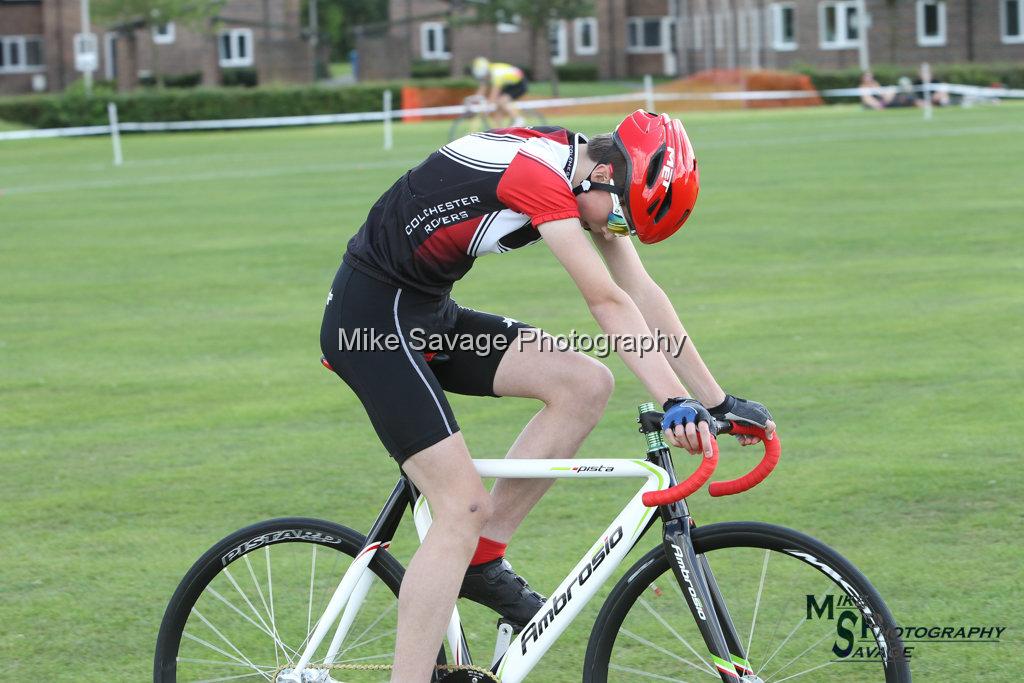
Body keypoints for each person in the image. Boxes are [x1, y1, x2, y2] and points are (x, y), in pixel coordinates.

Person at [320, 111, 777, 682]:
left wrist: (714, 402)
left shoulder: (588, 173)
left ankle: (481, 560)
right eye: (620, 215)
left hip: (426, 311)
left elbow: (640, 290)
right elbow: (607, 302)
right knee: (460, 505)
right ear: (605, 172)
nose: (615, 228)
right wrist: (671, 402)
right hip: (371, 325)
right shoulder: (539, 175)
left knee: (585, 384)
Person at [471, 56, 528, 126]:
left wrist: (487, 107)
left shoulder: (496, 73)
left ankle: (518, 119)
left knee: (501, 101)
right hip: (510, 84)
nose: (484, 77)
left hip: (519, 83)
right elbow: (482, 89)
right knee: (497, 105)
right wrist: (475, 100)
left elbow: (494, 94)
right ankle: (498, 128)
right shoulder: (487, 72)